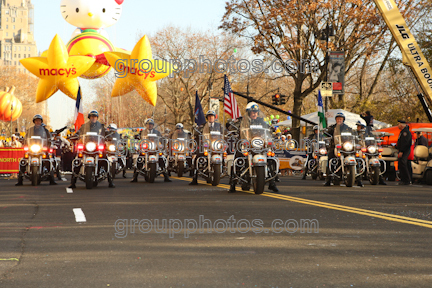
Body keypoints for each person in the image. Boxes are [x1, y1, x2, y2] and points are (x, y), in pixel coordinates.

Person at [228, 103, 279, 193]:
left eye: (256, 112)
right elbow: (232, 127)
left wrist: (272, 130)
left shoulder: (261, 121)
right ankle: (233, 182)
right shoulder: (242, 120)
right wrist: (233, 128)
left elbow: (268, 129)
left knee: (270, 158)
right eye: (253, 112)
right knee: (237, 157)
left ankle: (272, 183)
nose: (255, 114)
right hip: (246, 143)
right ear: (248, 113)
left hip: (258, 143)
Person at [69, 110, 114, 188]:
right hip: (86, 147)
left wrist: (108, 136)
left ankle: (110, 181)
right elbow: (79, 132)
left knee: (105, 160)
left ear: (97, 118)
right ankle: (73, 182)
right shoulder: (84, 126)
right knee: (78, 161)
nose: (93, 118)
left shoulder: (101, 127)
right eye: (92, 117)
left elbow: (106, 133)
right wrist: (75, 136)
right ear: (89, 117)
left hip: (97, 147)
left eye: (95, 117)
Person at [16, 115, 57, 186]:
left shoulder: (45, 131)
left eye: (39, 120)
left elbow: (49, 139)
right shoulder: (30, 130)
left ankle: (51, 179)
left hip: (41, 149)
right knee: (23, 161)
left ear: (41, 121)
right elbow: (26, 138)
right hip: (32, 149)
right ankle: (20, 180)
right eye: (36, 120)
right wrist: (23, 141)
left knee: (48, 160)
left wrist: (49, 142)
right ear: (34, 122)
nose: (38, 122)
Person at [131, 118, 171, 183]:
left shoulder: (157, 132)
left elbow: (161, 138)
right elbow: (138, 137)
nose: (150, 125)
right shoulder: (142, 132)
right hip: (145, 149)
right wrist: (136, 136)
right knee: (139, 159)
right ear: (146, 125)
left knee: (162, 159)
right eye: (148, 124)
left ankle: (166, 176)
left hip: (155, 148)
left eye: (151, 124)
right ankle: (135, 177)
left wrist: (163, 140)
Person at [189, 111, 224, 185]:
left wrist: (228, 133)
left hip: (216, 145)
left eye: (212, 116)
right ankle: (194, 177)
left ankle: (223, 169)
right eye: (209, 116)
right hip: (206, 145)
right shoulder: (203, 126)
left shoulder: (219, 126)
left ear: (215, 117)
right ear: (207, 118)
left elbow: (224, 132)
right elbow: (196, 132)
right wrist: (198, 133)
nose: (211, 117)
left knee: (223, 155)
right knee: (198, 157)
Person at [324, 112, 357, 186]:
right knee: (330, 157)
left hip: (346, 146)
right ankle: (328, 179)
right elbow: (327, 132)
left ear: (343, 120)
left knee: (356, 156)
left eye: (340, 119)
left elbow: (353, 134)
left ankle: (358, 178)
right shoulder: (332, 127)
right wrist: (326, 131)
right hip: (335, 145)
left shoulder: (347, 127)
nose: (339, 120)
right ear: (336, 120)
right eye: (338, 119)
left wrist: (356, 135)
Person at [396, 120, 412, 185]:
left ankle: (407, 180)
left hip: (405, 150)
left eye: (398, 124)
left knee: (403, 163)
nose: (398, 126)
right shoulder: (403, 132)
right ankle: (404, 179)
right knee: (403, 164)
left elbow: (405, 143)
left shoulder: (405, 132)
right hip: (403, 150)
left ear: (401, 125)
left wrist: (402, 151)